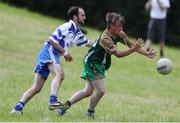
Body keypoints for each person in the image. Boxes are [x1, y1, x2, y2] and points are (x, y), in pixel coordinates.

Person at [57, 12, 157, 118]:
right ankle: (90, 113)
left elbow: (131, 44)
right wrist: (133, 49)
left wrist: (146, 53)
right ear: (111, 26)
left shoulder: (119, 33)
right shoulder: (105, 38)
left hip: (98, 64)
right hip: (92, 63)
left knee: (87, 91)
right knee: (100, 90)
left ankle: (64, 106)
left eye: (121, 25)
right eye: (119, 26)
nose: (121, 28)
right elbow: (118, 54)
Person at [11, 6, 93, 114]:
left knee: (36, 88)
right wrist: (64, 52)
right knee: (60, 75)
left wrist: (106, 43)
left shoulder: (77, 33)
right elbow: (51, 40)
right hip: (49, 51)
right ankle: (53, 101)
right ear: (75, 16)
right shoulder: (67, 26)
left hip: (48, 54)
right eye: (82, 15)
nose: (84, 17)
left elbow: (89, 43)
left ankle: (17, 109)